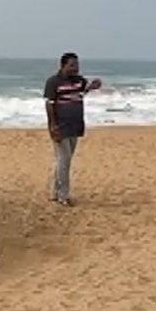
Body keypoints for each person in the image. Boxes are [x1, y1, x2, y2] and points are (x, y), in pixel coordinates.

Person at [43, 52, 102, 206]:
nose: (75, 68)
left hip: (75, 125)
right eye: (72, 65)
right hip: (60, 127)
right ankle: (63, 195)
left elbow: (82, 91)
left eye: (77, 65)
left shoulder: (79, 81)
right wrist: (52, 126)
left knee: (64, 160)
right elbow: (49, 104)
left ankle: (55, 192)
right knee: (64, 161)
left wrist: (92, 87)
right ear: (63, 65)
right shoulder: (53, 82)